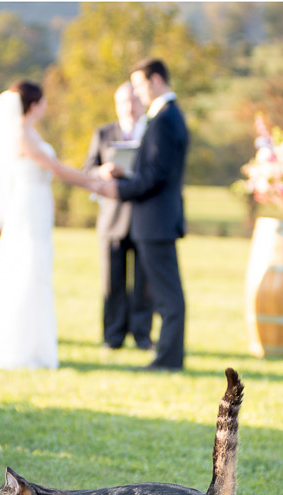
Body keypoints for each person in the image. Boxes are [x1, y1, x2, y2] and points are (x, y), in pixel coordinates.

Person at [0, 80, 99, 370]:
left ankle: (35, 347)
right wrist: (97, 182)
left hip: (36, 207)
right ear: (35, 105)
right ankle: (17, 347)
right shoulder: (21, 135)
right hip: (27, 208)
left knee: (35, 270)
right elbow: (57, 169)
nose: (46, 107)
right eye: (44, 102)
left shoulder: (29, 133)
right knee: (23, 269)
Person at [96, 58, 189, 371]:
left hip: (156, 221)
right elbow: (152, 171)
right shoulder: (164, 116)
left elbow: (157, 175)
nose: (136, 93)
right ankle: (167, 357)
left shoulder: (165, 118)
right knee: (166, 296)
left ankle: (167, 360)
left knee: (168, 297)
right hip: (155, 220)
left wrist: (120, 190)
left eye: (138, 84)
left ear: (157, 80)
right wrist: (125, 177)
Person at [83, 82, 152, 351]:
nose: (130, 106)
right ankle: (112, 336)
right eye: (124, 101)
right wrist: (102, 172)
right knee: (112, 281)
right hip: (111, 217)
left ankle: (142, 335)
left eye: (134, 100)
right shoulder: (103, 132)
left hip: (144, 215)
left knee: (144, 283)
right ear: (116, 104)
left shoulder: (152, 132)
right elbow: (87, 168)